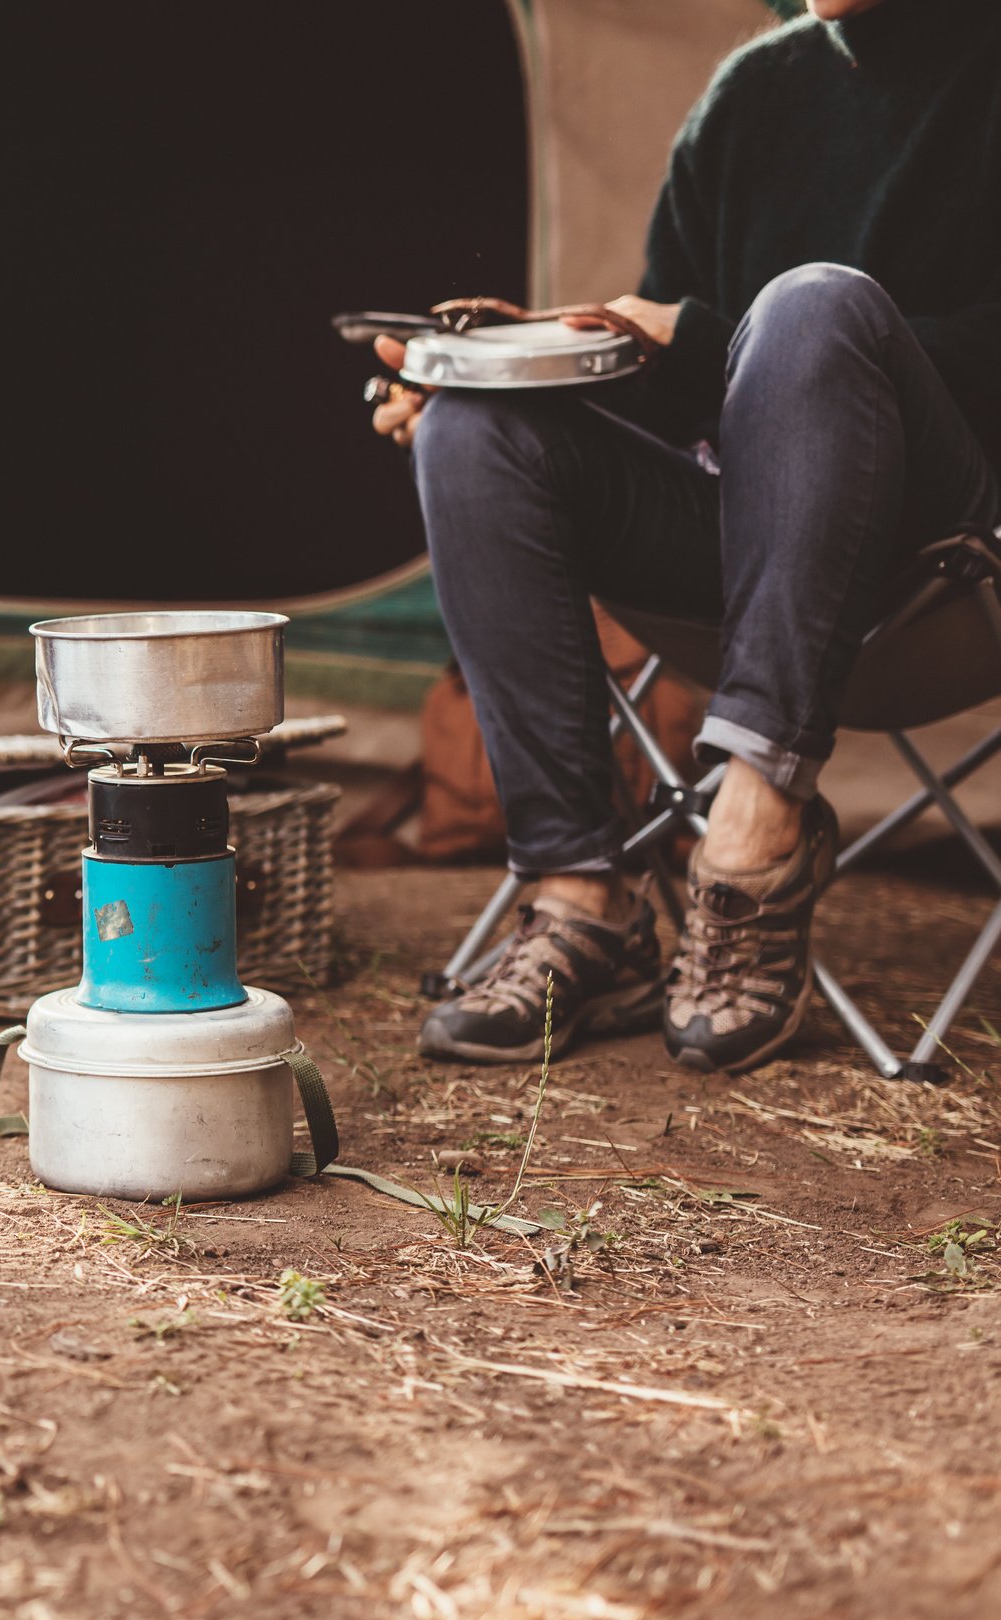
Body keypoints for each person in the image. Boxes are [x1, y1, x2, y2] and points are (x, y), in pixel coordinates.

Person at [375, 0, 1001, 1073]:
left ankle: (754, 841)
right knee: (476, 428)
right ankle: (583, 906)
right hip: (742, 555)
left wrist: (711, 336)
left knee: (812, 309)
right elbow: (684, 395)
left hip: (940, 564)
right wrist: (516, 364)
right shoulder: (750, 97)